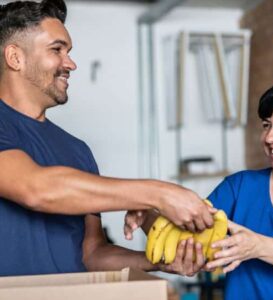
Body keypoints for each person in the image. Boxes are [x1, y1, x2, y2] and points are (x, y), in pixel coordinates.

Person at [0, 0, 215, 277]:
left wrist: (159, 261)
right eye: (57, 50)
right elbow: (37, 189)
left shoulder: (77, 150)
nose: (71, 63)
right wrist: (158, 193)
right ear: (15, 57)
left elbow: (91, 254)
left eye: (69, 51)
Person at [126, 80, 273, 299]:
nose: (270, 137)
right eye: (266, 125)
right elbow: (186, 242)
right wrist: (147, 215)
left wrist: (258, 246)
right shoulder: (239, 188)